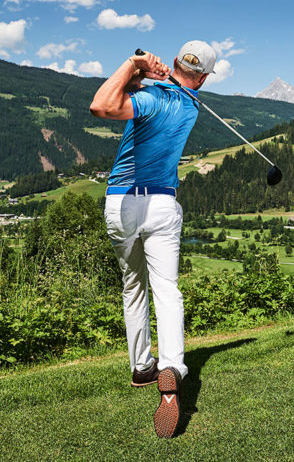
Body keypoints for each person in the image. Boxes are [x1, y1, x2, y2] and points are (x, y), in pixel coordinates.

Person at [89, 40, 217, 438]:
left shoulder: (150, 99)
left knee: (133, 286)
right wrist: (152, 74)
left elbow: (102, 105)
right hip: (162, 204)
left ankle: (142, 366)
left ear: (176, 60)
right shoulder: (190, 105)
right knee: (167, 289)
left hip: (122, 202)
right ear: (205, 78)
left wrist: (134, 63)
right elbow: (176, 87)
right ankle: (171, 367)